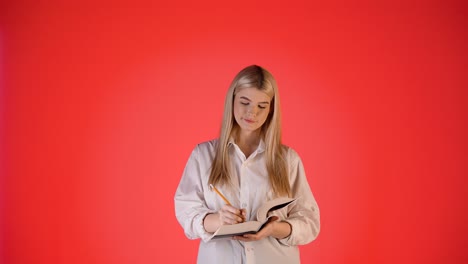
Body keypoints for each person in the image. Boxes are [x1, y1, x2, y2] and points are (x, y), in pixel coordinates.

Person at [174, 65, 320, 264]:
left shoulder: (288, 160)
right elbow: (186, 212)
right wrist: (218, 219)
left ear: (271, 109)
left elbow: (309, 223)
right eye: (245, 102)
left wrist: (273, 228)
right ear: (232, 100)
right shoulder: (204, 155)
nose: (253, 113)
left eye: (262, 106)